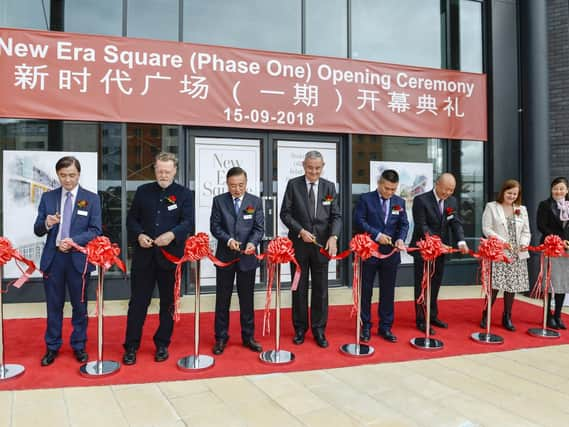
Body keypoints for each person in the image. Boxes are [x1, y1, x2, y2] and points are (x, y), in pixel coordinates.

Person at [122, 152, 194, 365]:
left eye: (167, 171)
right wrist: (139, 235)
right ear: (154, 170)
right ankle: (131, 346)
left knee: (168, 303)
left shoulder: (184, 194)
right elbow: (132, 219)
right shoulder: (143, 191)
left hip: (170, 258)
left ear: (175, 171)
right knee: (138, 303)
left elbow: (188, 222)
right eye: (159, 170)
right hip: (144, 257)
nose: (163, 174)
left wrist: (172, 235)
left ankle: (162, 343)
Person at [33, 156, 102, 366]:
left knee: (79, 306)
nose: (68, 180)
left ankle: (78, 345)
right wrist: (47, 222)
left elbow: (95, 230)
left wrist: (73, 241)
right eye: (63, 175)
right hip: (54, 261)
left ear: (79, 174)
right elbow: (37, 230)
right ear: (58, 175)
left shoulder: (91, 199)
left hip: (78, 261)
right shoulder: (48, 198)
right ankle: (52, 347)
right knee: (54, 306)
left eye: (72, 175)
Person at [280, 150, 342, 348]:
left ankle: (319, 330)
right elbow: (285, 214)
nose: (313, 172)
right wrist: (300, 231)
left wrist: (333, 236)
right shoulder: (293, 185)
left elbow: (336, 216)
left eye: (317, 168)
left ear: (323, 166)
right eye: (310, 167)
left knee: (321, 290)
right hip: (299, 246)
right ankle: (299, 328)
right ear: (303, 165)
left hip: (322, 247)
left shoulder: (329, 187)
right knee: (299, 289)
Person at [210, 167, 265, 355]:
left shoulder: (255, 202)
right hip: (225, 256)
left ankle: (248, 337)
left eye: (241, 185)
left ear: (246, 183)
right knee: (222, 300)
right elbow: (215, 226)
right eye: (233, 185)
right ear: (227, 184)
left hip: (246, 258)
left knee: (247, 300)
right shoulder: (219, 201)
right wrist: (228, 240)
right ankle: (221, 338)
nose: (237, 189)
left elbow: (259, 228)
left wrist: (252, 243)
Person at [353, 169, 408, 343]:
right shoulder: (365, 199)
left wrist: (400, 239)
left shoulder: (399, 202)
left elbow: (403, 224)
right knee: (366, 290)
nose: (389, 192)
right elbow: (359, 221)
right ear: (379, 183)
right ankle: (366, 326)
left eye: (393, 189)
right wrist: (377, 235)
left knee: (388, 292)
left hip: (390, 254)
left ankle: (385, 327)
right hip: (369, 252)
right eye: (386, 188)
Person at [410, 173, 469, 334]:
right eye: (445, 189)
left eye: (451, 190)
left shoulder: (452, 201)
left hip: (442, 251)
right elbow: (422, 226)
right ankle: (421, 319)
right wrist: (436, 243)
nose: (447, 193)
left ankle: (433, 315)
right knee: (422, 285)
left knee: (435, 284)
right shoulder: (421, 200)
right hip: (424, 250)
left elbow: (455, 222)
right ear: (437, 184)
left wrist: (461, 241)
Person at [481, 179, 531, 331]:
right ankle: (486, 314)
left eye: (515, 194)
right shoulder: (492, 207)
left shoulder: (522, 209)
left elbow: (526, 231)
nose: (512, 196)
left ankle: (507, 316)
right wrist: (503, 242)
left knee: (511, 287)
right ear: (503, 192)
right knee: (495, 286)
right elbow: (487, 228)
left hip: (516, 254)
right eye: (509, 193)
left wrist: (523, 243)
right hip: (499, 252)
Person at [536, 176, 569, 330]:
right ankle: (547, 315)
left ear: (567, 190)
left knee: (563, 283)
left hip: (566, 250)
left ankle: (557, 315)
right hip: (550, 247)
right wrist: (558, 240)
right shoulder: (544, 205)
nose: (558, 191)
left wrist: (566, 241)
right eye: (556, 188)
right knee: (550, 283)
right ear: (551, 189)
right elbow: (541, 226)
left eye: (561, 188)